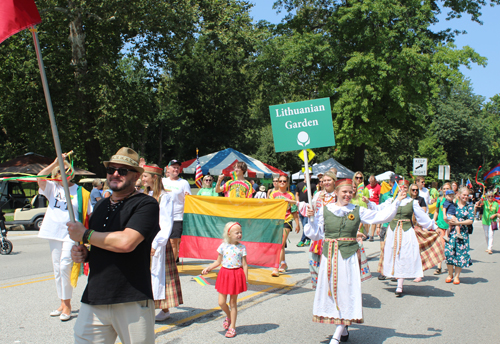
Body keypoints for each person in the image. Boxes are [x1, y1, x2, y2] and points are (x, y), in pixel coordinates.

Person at [68, 147, 159, 343]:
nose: (115, 174)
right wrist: (84, 254)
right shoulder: (100, 205)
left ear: (136, 176)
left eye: (123, 170)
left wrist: (85, 235)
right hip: (95, 297)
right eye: (111, 170)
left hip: (131, 298)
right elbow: (100, 244)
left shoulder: (146, 205)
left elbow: (126, 242)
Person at [305, 178, 405, 344]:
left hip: (348, 257)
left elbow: (379, 216)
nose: (348, 195)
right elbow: (315, 234)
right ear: (336, 192)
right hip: (329, 256)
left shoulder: (357, 210)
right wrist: (310, 219)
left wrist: (396, 202)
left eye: (351, 192)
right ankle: (343, 328)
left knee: (347, 292)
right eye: (344, 191)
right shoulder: (324, 210)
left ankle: (336, 336)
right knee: (332, 292)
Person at [37, 153, 91, 322]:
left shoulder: (81, 192)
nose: (63, 172)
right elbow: (39, 177)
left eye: (66, 169)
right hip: (53, 231)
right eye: (60, 170)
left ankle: (67, 305)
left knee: (65, 267)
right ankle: (62, 302)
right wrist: (54, 162)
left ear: (72, 171)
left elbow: (89, 214)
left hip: (71, 234)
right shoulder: (53, 187)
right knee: (57, 269)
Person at [378, 180, 440, 297]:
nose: (403, 189)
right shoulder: (391, 201)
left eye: (405, 187)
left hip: (406, 231)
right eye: (400, 187)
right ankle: (395, 276)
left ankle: (399, 285)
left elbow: (423, 217)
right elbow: (379, 210)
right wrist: (368, 204)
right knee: (393, 255)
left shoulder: (412, 202)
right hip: (392, 231)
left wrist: (434, 227)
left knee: (404, 255)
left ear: (408, 189)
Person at [142, 164, 183, 322]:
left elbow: (166, 224)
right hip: (145, 240)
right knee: (148, 274)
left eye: (145, 176)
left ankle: (164, 309)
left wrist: (156, 243)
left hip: (157, 241)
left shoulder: (165, 197)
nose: (142, 179)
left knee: (159, 275)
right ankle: (152, 307)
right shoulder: (146, 194)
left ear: (154, 178)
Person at [202, 222, 248, 338]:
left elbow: (245, 264)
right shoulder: (223, 246)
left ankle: (232, 326)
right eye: (237, 233)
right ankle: (228, 316)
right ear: (229, 234)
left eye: (240, 232)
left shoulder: (242, 247)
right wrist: (209, 268)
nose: (239, 235)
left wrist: (246, 279)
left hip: (236, 274)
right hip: (224, 274)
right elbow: (218, 261)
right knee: (221, 302)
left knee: (233, 303)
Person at [269, 175, 300, 276]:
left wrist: (297, 223)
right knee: (278, 244)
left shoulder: (290, 195)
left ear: (287, 183)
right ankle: (283, 263)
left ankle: (275, 267)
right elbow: (269, 208)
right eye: (280, 181)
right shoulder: (273, 194)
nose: (282, 182)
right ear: (277, 182)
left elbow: (294, 210)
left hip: (287, 221)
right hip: (275, 221)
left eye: (284, 181)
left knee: (281, 243)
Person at [162, 159, 192, 261]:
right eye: (174, 167)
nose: (176, 169)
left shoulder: (183, 183)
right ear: (168, 168)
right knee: (162, 240)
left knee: (173, 242)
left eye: (178, 168)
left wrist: (188, 198)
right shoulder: (162, 181)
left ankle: (172, 265)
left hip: (177, 217)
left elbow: (189, 200)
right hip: (162, 216)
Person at [445, 187, 473, 285]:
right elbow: (446, 215)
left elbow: (470, 220)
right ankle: (450, 274)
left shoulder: (469, 206)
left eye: (467, 195)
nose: (465, 197)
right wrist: (448, 220)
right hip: (451, 232)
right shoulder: (453, 204)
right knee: (449, 253)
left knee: (460, 255)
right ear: (459, 195)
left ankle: (456, 276)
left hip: (462, 234)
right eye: (464, 195)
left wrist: (459, 222)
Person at [376, 173, 400, 280]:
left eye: (398, 182)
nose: (396, 184)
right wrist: (378, 226)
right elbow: (379, 211)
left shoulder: (402, 196)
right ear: (390, 183)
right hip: (385, 225)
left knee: (395, 249)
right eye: (394, 182)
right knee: (383, 249)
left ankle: (394, 271)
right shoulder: (385, 195)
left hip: (396, 225)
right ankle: (384, 270)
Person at [432, 182, 452, 275]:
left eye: (447, 188)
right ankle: (439, 267)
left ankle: (450, 265)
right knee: (441, 246)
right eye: (444, 188)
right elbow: (436, 211)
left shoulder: (453, 200)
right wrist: (433, 221)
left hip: (450, 226)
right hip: (440, 225)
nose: (445, 190)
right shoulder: (440, 199)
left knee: (449, 246)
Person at [296, 174, 311, 247]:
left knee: (305, 225)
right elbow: (297, 194)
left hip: (308, 207)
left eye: (310, 174)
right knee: (304, 225)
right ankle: (308, 239)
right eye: (308, 174)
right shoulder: (299, 184)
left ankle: (302, 240)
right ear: (304, 175)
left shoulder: (313, 185)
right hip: (301, 206)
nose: (309, 176)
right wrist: (298, 203)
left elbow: (314, 195)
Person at [366, 175, 381, 241]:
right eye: (370, 182)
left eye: (372, 182)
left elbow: (380, 196)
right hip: (368, 204)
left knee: (373, 220)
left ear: (375, 181)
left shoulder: (378, 187)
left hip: (375, 204)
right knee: (367, 220)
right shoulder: (367, 187)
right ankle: (367, 234)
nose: (371, 183)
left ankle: (371, 235)